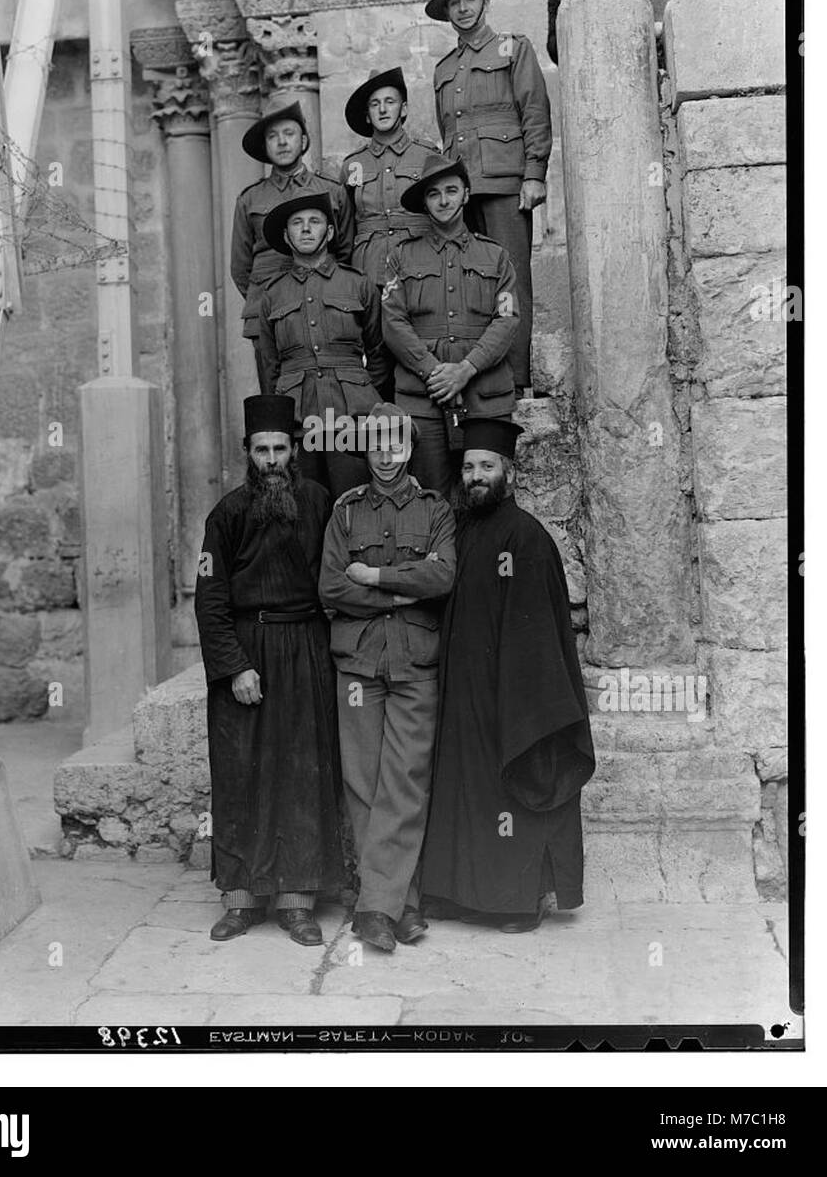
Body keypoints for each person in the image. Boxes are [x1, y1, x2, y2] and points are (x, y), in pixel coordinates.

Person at [420, 417, 595, 931]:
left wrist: (517, 698)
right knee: (466, 787)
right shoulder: (459, 529)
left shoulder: (527, 537)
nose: (477, 475)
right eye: (470, 466)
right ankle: (463, 893)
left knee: (509, 785)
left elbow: (539, 631)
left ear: (509, 473)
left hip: (514, 692)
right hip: (463, 687)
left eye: (487, 466)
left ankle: (518, 900)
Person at [194, 394, 344, 947]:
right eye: (262, 450)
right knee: (242, 773)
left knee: (303, 772)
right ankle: (240, 899)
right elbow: (208, 598)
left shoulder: (320, 503)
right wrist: (234, 667)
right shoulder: (227, 514)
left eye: (281, 448)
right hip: (247, 647)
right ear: (248, 453)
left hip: (306, 644)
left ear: (295, 450)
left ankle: (298, 901)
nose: (273, 459)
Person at [318, 401, 456, 953]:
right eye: (375, 443)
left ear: (409, 446)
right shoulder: (345, 511)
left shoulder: (435, 509)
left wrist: (375, 577)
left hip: (415, 661)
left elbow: (442, 576)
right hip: (358, 663)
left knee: (405, 781)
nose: (385, 454)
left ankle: (377, 907)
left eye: (395, 444)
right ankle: (405, 902)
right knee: (363, 781)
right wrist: (400, 595)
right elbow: (330, 588)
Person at [426, 0, 551, 393]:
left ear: (485, 1)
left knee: (511, 279)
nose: (463, 8)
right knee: (469, 280)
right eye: (454, 3)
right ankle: (481, 377)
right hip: (461, 193)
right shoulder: (444, 70)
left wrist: (534, 174)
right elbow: (448, 133)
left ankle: (516, 381)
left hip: (503, 184)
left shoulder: (513, 50)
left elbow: (534, 112)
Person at [381, 153, 518, 499]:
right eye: (434, 194)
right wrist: (434, 372)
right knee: (432, 498)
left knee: (489, 495)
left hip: (484, 396)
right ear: (425, 203)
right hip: (423, 400)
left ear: (466, 195)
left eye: (451, 191)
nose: (443, 200)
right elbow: (393, 321)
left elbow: (506, 320)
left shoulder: (495, 256)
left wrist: (466, 369)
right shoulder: (402, 256)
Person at [258, 191, 388, 500]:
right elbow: (270, 366)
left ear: (328, 232)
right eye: (297, 223)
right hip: (301, 424)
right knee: (306, 509)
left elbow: (379, 355)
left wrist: (363, 397)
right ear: (287, 237)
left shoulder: (358, 284)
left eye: (314, 221)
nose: (305, 229)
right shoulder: (272, 295)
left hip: (351, 420)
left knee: (354, 503)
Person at [231, 101, 355, 389]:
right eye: (273, 136)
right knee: (276, 401)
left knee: (331, 393)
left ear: (304, 141)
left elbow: (346, 250)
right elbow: (240, 268)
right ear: (265, 147)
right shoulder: (250, 199)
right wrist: (268, 300)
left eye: (289, 133)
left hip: (327, 305)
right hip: (269, 312)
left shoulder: (332, 191)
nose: (282, 142)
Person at [340, 67, 436, 400]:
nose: (382, 109)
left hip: (417, 268)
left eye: (390, 102)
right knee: (377, 352)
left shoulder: (426, 156)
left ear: (404, 109)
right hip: (370, 270)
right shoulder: (353, 166)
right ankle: (382, 432)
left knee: (418, 345)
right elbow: (346, 225)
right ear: (367, 114)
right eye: (375, 104)